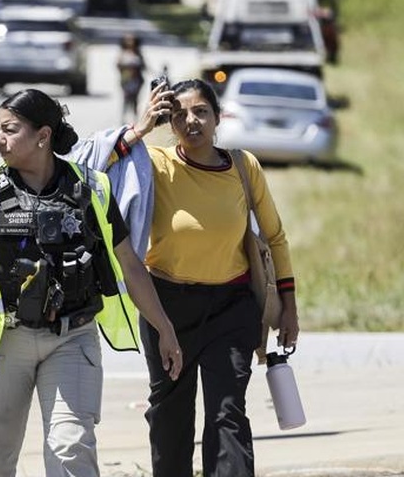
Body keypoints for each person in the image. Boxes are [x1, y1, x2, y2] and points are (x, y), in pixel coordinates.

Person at [0, 88, 183, 477]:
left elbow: (130, 265)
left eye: (10, 129)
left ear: (43, 136)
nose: (0, 139)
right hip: (5, 341)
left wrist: (165, 329)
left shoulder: (92, 189)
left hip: (72, 338)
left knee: (71, 447)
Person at [116, 79, 301, 476]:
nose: (191, 120)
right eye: (179, 114)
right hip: (166, 309)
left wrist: (289, 307)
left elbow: (274, 237)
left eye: (201, 111)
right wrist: (142, 125)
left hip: (231, 309)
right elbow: (93, 168)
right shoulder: (154, 163)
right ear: (169, 121)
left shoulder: (242, 166)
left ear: (218, 118)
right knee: (170, 415)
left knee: (227, 411)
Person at [116, 34, 146, 124]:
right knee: (126, 99)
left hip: (136, 80)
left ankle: (135, 119)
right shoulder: (122, 53)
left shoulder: (138, 53)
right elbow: (118, 65)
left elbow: (144, 66)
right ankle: (123, 119)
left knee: (135, 100)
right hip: (126, 80)